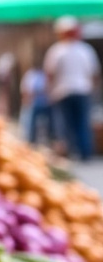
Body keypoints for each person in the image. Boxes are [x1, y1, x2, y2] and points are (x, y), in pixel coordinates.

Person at [43, 16, 100, 160]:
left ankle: (72, 152)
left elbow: (49, 74)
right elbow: (94, 73)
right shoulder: (85, 50)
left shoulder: (57, 50)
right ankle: (84, 153)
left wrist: (49, 91)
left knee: (67, 124)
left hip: (64, 92)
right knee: (81, 123)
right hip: (80, 91)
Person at [20, 65, 51, 145]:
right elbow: (26, 90)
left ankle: (46, 139)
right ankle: (31, 139)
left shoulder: (44, 75)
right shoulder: (31, 74)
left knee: (46, 123)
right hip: (34, 104)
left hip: (45, 104)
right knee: (31, 123)